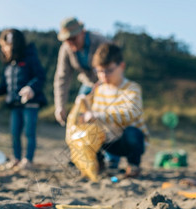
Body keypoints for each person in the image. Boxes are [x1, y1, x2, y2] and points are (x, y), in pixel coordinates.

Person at [53, 17, 120, 168]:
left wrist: (104, 85)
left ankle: (112, 159)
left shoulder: (100, 41)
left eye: (73, 38)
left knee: (106, 119)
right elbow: (62, 78)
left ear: (82, 32)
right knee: (79, 118)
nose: (70, 42)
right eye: (66, 40)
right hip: (88, 84)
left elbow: (115, 66)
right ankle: (81, 155)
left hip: (108, 84)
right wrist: (60, 106)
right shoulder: (66, 49)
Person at [0, 29, 47, 170]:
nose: (3, 49)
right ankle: (16, 158)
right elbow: (4, 86)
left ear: (14, 44)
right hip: (15, 104)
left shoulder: (30, 58)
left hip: (31, 103)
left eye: (5, 45)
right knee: (14, 132)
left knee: (29, 132)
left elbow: (40, 77)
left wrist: (31, 88)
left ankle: (28, 159)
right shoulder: (9, 65)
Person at [81, 43, 149, 178]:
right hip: (108, 139)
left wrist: (100, 115)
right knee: (87, 132)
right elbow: (94, 116)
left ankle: (133, 165)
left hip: (127, 140)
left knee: (133, 134)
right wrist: (84, 107)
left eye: (109, 70)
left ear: (121, 66)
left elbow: (130, 113)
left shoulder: (132, 88)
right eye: (99, 71)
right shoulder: (99, 90)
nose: (104, 75)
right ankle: (99, 163)